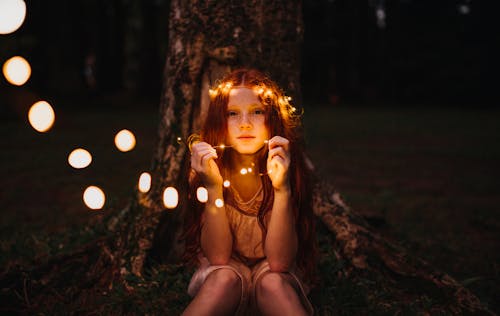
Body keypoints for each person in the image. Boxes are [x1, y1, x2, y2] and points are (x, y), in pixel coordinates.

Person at [181, 68, 317, 315]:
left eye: (257, 112)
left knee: (273, 283)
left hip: (273, 273)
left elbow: (279, 263)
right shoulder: (209, 168)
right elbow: (219, 257)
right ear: (219, 121)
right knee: (224, 279)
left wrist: (282, 189)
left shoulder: (285, 166)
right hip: (224, 271)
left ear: (272, 117)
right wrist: (213, 187)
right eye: (232, 113)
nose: (245, 123)